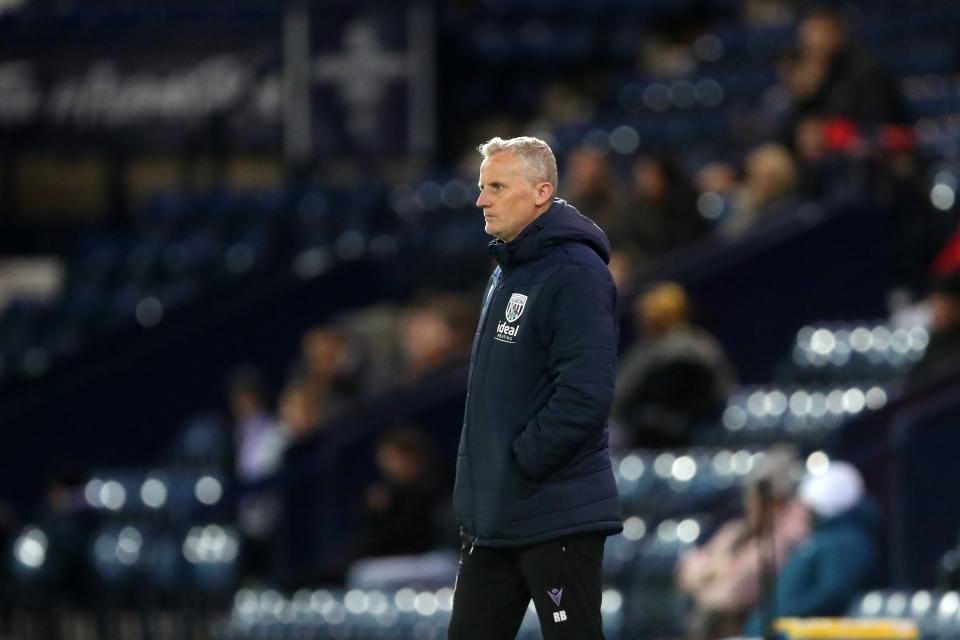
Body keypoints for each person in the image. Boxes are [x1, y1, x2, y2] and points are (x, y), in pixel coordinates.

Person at [449, 136, 622, 640]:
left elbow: (586, 393)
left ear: (542, 192)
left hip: (554, 518)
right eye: (483, 188)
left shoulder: (575, 273)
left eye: (497, 187)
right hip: (496, 521)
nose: (482, 199)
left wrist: (521, 463)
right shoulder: (508, 271)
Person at [676, 449, 810, 640]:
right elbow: (686, 571)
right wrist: (718, 574)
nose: (754, 504)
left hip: (747, 629)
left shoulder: (787, 539)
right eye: (753, 496)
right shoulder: (735, 531)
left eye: (765, 499)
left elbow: (730, 596)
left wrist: (714, 574)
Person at [743, 460, 880, 636]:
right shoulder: (821, 538)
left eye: (807, 507)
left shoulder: (844, 542)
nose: (800, 511)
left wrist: (782, 615)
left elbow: (832, 595)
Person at [612, 282, 737, 448]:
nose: (643, 324)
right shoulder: (647, 348)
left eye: (653, 318)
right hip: (644, 433)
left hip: (673, 437)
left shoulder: (688, 349)